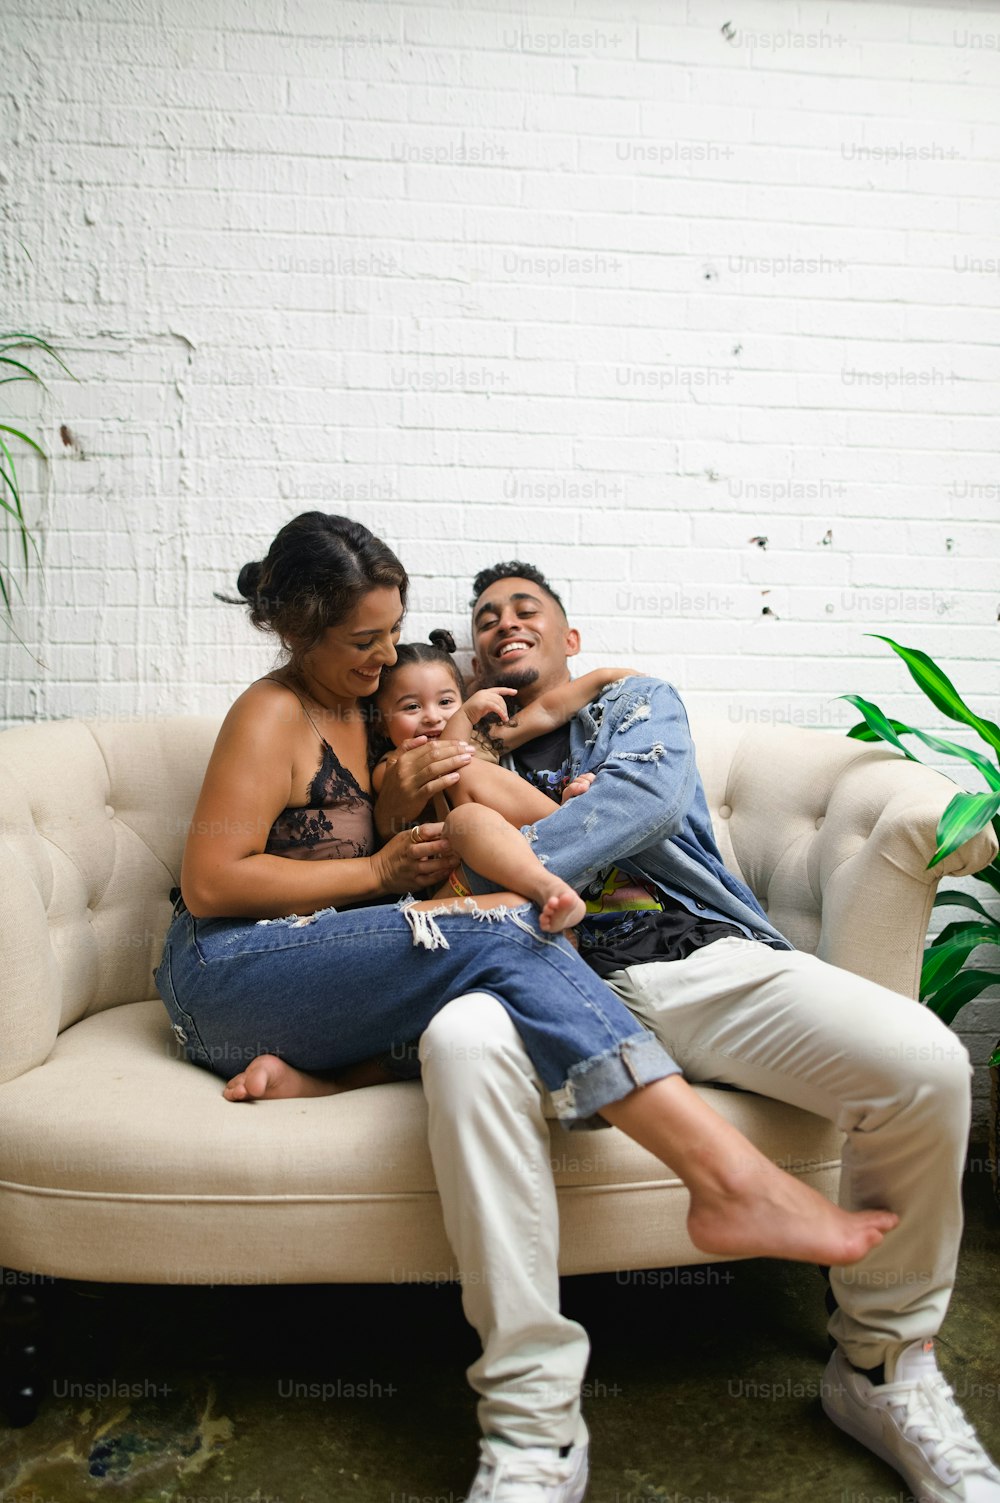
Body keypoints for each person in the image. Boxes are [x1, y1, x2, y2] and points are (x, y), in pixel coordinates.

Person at [157, 513, 898, 1503]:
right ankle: (725, 1178)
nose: (383, 660)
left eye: (393, 633)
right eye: (360, 642)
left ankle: (331, 1072)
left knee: (480, 939)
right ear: (295, 630)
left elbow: (482, 734)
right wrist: (382, 865)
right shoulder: (272, 713)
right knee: (504, 930)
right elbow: (208, 885)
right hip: (225, 978)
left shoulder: (373, 707)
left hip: (318, 976)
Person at [372, 559, 1000, 1503]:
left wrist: (520, 857)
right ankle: (531, 1428)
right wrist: (467, 783)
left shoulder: (629, 704)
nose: (504, 622)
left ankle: (880, 1369)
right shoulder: (453, 749)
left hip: (692, 954)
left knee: (923, 1061)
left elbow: (649, 804)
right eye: (486, 616)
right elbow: (399, 865)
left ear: (570, 640)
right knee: (458, 1042)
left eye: (526, 608)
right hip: (530, 975)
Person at [368, 628, 637, 931]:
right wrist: (464, 716)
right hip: (461, 883)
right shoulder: (393, 766)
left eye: (445, 702)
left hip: (522, 857)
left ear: (461, 698)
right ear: (380, 722)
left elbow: (547, 711)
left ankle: (562, 858)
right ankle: (571, 836)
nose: (432, 716)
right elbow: (446, 769)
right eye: (412, 707)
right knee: (465, 811)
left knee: (472, 808)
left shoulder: (482, 739)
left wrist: (604, 676)